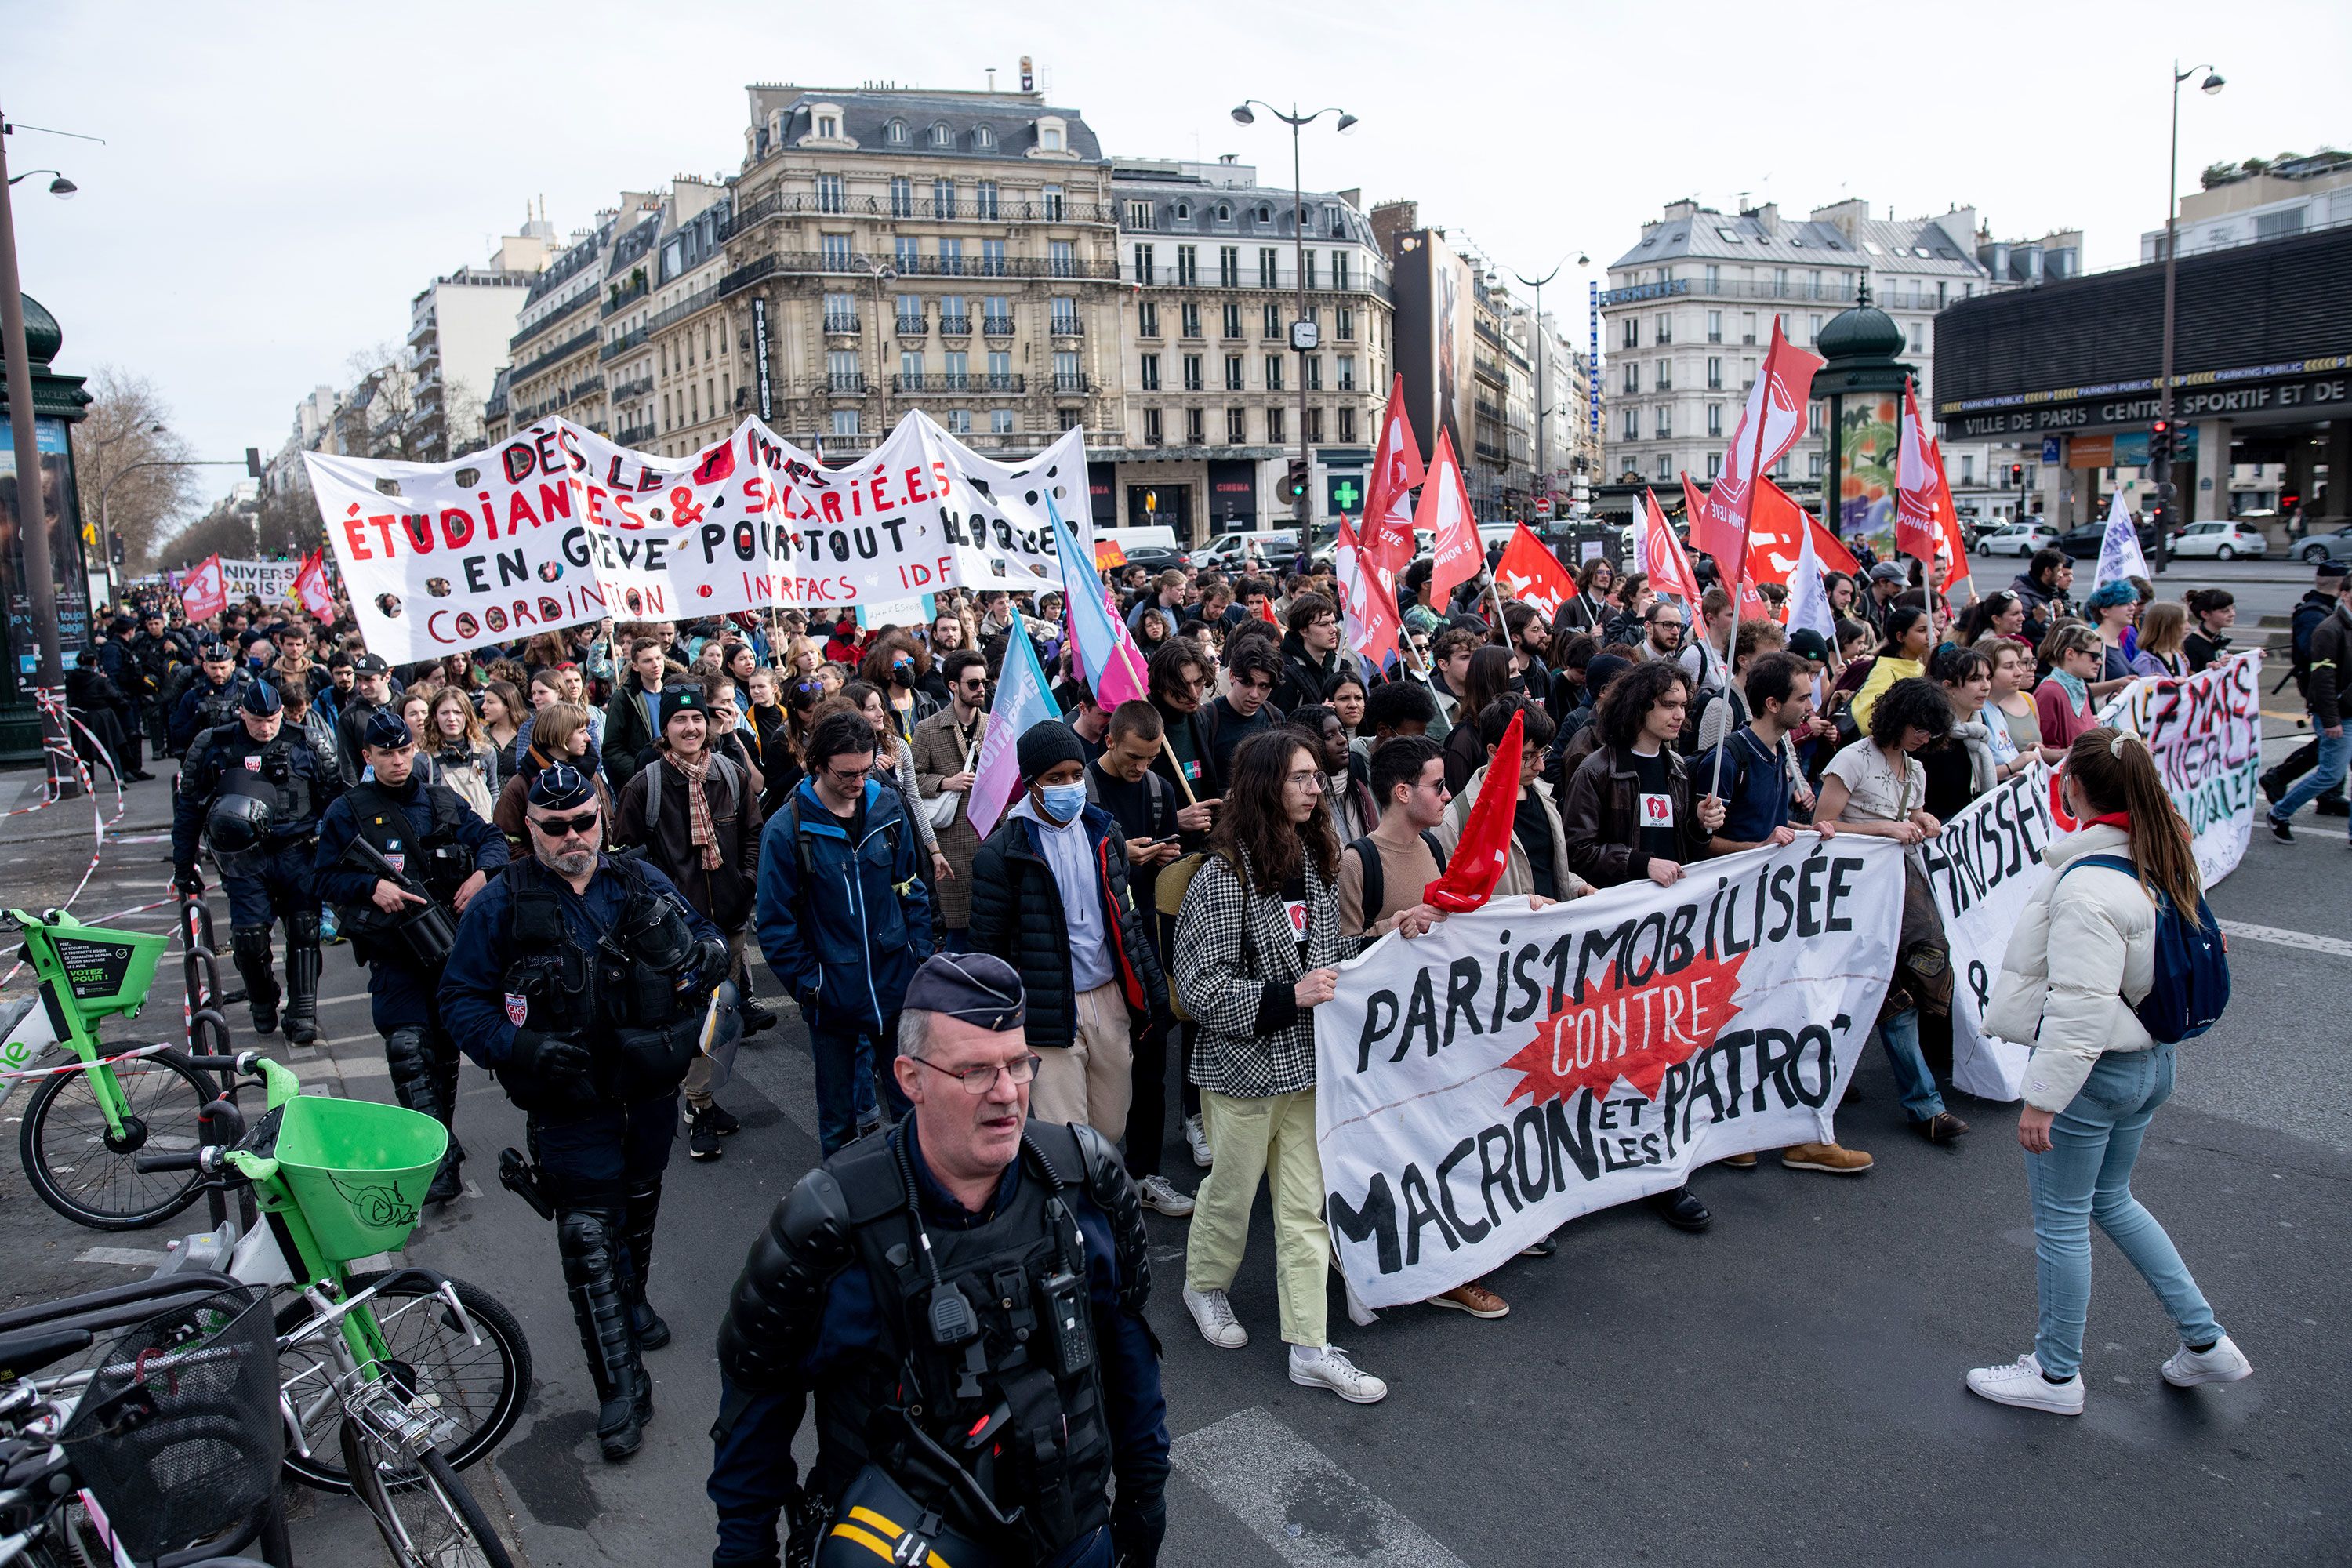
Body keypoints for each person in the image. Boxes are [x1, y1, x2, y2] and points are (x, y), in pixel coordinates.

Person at [706, 952, 1169, 1568]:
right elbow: (754, 1416)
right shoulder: (831, 1223)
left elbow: (1130, 1364)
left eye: (1018, 1064)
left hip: (1071, 1535)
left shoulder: (1083, 1180)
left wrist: (1143, 1507)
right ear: (910, 1077)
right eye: (975, 1070)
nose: (1007, 1094)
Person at [441, 762, 726, 1461]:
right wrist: (520, 1045)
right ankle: (622, 1388)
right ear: (528, 828)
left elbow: (708, 946)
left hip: (646, 1088)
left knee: (638, 1202)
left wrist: (697, 963)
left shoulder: (638, 879)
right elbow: (459, 1001)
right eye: (556, 826)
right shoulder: (501, 905)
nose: (574, 837)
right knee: (587, 1241)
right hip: (567, 1104)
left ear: (601, 814)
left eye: (585, 821)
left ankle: (634, 1301)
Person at [1967, 728, 2250, 1414]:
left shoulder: (2088, 883)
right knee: (2112, 1201)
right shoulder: (2165, 853)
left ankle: (2057, 1376)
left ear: (2073, 791)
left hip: (2093, 1076)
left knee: (2063, 1220)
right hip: (2151, 1064)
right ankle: (2206, 1341)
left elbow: (2080, 1008)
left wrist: (2042, 1100)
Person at [1171, 729, 1441, 1403]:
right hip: (1241, 1070)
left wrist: (1388, 930)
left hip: (1306, 1068)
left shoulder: (1317, 862)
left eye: (1316, 778)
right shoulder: (1222, 874)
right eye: (1298, 778)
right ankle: (1204, 1286)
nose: (1314, 789)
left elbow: (1329, 953)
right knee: (1231, 1194)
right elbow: (1198, 985)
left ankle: (1310, 1345)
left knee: (1302, 1208)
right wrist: (1285, 996)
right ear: (1266, 785)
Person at [1554, 661, 1723, 1233]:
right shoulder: (1597, 768)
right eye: (1670, 705)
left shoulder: (1677, 769)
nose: (1681, 716)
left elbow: (1681, 852)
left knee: (1661, 1050)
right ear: (1641, 709)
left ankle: (1662, 1169)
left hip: (1665, 934)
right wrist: (1638, 864)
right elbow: (1576, 851)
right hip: (1615, 938)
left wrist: (1698, 828)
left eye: (1684, 705)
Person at [314, 712, 506, 1206]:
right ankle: (440, 1162)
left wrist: (482, 875)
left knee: (441, 1058)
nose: (398, 762)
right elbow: (321, 879)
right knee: (406, 1049)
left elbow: (491, 840)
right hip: (393, 951)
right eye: (386, 754)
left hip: (447, 948)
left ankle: (436, 1141)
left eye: (404, 752)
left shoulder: (441, 800)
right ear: (368, 757)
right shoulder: (348, 811)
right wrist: (369, 886)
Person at [969, 720, 1167, 1145]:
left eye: (1077, 775)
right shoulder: (1002, 854)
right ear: (1031, 784)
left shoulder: (1105, 833)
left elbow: (1126, 918)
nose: (1070, 786)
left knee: (1111, 1127)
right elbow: (988, 950)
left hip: (1109, 1002)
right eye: (1055, 779)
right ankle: (1076, 1211)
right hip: (1047, 1010)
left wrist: (1153, 991)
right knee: (1068, 1136)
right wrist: (996, 1026)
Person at [758, 709, 937, 1153]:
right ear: (817, 765)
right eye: (846, 774)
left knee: (911, 1111)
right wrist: (810, 984)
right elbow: (775, 923)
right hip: (831, 993)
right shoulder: (786, 830)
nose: (858, 782)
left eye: (865, 769)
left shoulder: (888, 806)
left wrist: (917, 955)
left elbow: (910, 885)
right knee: (838, 1123)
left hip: (895, 983)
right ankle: (843, 1211)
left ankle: (913, 1197)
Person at [1815, 677, 1967, 1144]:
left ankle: (1833, 1080)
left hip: (1897, 890)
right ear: (1898, 719)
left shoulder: (1916, 770)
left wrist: (1920, 818)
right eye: (1918, 727)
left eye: (1931, 731)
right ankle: (1922, 1105)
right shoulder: (1852, 759)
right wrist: (1887, 829)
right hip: (1852, 895)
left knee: (1900, 987)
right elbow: (1823, 825)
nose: (1924, 737)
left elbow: (1911, 813)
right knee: (1880, 996)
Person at [616, 686, 764, 1159]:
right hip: (674, 934)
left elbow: (753, 834)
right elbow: (626, 860)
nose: (690, 728)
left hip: (730, 917)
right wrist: (658, 915)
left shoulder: (731, 775)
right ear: (665, 729)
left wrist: (745, 881)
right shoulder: (645, 786)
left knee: (721, 1014)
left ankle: (700, 1101)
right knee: (690, 1018)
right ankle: (697, 1106)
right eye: (679, 720)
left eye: (697, 719)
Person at [172, 680, 332, 1045]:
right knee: (247, 937)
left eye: (273, 719)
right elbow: (190, 808)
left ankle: (303, 1010)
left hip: (298, 849)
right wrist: (185, 866)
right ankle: (262, 998)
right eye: (258, 719)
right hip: (243, 858)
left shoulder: (307, 741)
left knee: (305, 930)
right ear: (242, 712)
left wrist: (334, 856)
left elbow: (336, 800)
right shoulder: (214, 744)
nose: (266, 728)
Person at [1085, 700, 1192, 1215]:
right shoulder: (1079, 787)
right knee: (1098, 1068)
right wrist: (1117, 854)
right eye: (1133, 757)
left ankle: (1146, 1173)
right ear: (1110, 741)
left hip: (1145, 939)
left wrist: (1162, 856)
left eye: (1149, 759)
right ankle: (1094, 1176)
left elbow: (1168, 855)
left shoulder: (1159, 790)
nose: (1140, 768)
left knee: (1151, 1062)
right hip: (1095, 948)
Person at [1442, 699, 1588, 906]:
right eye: (1527, 756)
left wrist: (1579, 888)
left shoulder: (1545, 798)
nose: (1540, 767)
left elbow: (1546, 872)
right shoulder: (1456, 821)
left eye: (1543, 753)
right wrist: (1521, 905)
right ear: (1493, 751)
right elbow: (1451, 900)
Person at [2264, 564, 2351, 844]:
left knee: (2331, 773)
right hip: (2340, 715)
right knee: (2330, 775)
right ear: (2345, 594)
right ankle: (2280, 812)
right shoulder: (2329, 628)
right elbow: (2322, 679)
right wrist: (2331, 719)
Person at [912, 650, 991, 951]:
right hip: (952, 844)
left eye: (983, 683)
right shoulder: (928, 729)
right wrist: (946, 782)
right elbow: (911, 781)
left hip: (990, 839)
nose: (981, 689)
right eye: (973, 684)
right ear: (953, 686)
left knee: (992, 929)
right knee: (958, 935)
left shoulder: (994, 724)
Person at [845, 681, 953, 886]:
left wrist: (934, 850)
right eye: (871, 708)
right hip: (866, 847)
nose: (881, 713)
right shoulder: (846, 756)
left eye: (881, 706)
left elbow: (914, 800)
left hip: (902, 840)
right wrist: (871, 774)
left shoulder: (898, 746)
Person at [1918, 645, 2002, 821]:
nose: (1986, 686)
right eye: (1975, 679)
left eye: (1988, 678)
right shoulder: (1928, 734)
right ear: (1948, 686)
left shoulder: (1977, 727)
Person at [1203, 636, 1283, 782]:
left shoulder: (1275, 717)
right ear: (1232, 676)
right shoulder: (1206, 718)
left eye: (1264, 686)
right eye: (1247, 683)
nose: (1254, 694)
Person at [601, 635, 674, 791]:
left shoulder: (676, 692)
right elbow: (612, 747)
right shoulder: (624, 698)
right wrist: (639, 771)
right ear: (635, 666)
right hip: (646, 783)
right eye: (647, 661)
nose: (655, 665)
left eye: (658, 658)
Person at [1439, 645, 1515, 794]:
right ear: (1494, 679)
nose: (1520, 678)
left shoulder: (1516, 724)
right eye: (1512, 672)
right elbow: (1457, 800)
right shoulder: (1464, 740)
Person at [1849, 606, 1932, 733]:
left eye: (1933, 629)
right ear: (1900, 637)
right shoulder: (1885, 670)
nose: (1931, 636)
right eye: (1922, 630)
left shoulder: (1921, 668)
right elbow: (1867, 721)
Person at [169, 641, 254, 755]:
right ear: (205, 666)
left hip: (243, 754)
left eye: (223, 668)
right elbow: (177, 737)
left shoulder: (248, 692)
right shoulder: (193, 696)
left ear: (233, 666)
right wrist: (196, 719)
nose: (218, 673)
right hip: (207, 757)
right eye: (213, 668)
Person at [331, 653, 395, 787]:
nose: (362, 686)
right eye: (359, 680)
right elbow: (347, 763)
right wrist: (355, 797)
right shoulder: (349, 716)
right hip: (372, 792)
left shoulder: (406, 706)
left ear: (387, 677)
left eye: (369, 680)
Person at [2034, 624, 2103, 750]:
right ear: (2070, 653)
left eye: (2100, 656)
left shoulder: (2082, 687)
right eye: (2094, 656)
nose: (2099, 662)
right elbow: (2042, 749)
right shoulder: (2049, 692)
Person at [1272, 593, 1342, 714]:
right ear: (1304, 630)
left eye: (1333, 622)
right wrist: (1317, 717)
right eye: (1324, 624)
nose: (1333, 630)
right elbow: (1279, 726)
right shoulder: (1285, 674)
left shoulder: (1340, 666)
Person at [2083, 580, 2140, 696]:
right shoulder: (2092, 642)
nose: (2132, 608)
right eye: (2124, 604)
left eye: (2132, 604)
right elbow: (2078, 688)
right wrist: (2117, 683)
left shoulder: (2116, 641)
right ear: (2105, 611)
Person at [2011, 549, 2074, 648]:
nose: (2061, 575)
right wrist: (2036, 621)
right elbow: (2011, 634)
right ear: (2048, 571)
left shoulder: (2046, 592)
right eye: (2059, 571)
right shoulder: (2023, 596)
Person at [2127, 601, 2190, 679]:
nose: (2188, 627)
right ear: (2168, 627)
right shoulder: (2145, 662)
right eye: (2184, 622)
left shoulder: (2180, 656)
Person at [2182, 587, 2236, 673]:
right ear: (2205, 614)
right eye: (2225, 611)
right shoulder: (2192, 645)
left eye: (2233, 608)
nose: (2232, 614)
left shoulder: (2218, 639)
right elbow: (2190, 678)